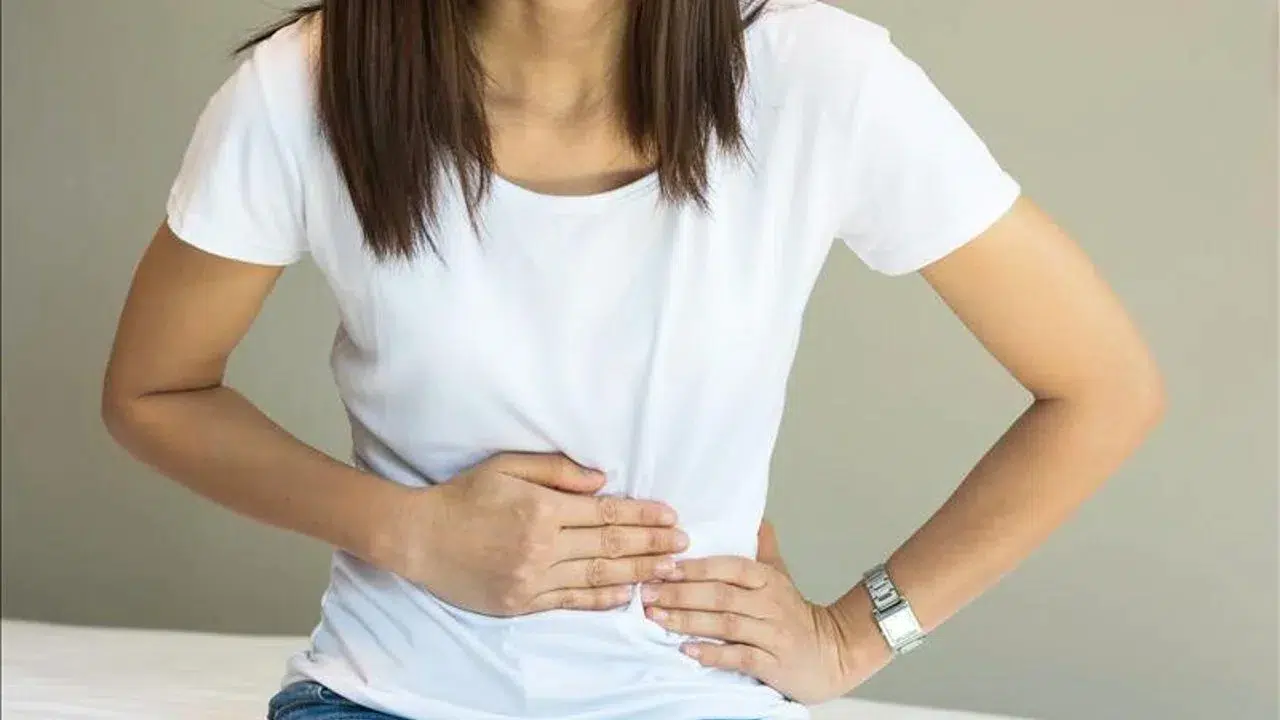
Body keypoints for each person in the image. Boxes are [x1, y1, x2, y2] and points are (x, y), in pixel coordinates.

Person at [101, 0, 1164, 718]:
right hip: (387, 697)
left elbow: (1102, 388)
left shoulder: (817, 78)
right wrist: (408, 531)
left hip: (694, 699)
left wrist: (854, 637)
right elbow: (155, 390)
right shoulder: (300, 91)